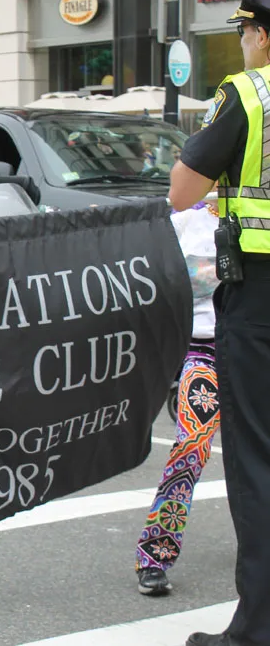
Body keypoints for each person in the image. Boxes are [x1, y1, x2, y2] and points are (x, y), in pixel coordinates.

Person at [167, 0, 270, 644]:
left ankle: (257, 628)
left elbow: (182, 191)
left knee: (258, 462)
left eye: (243, 31)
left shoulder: (248, 93)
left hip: (260, 296)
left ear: (260, 33)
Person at [134, 202, 219, 597]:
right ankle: (155, 555)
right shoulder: (182, 221)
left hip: (254, 347)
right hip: (204, 351)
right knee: (191, 446)